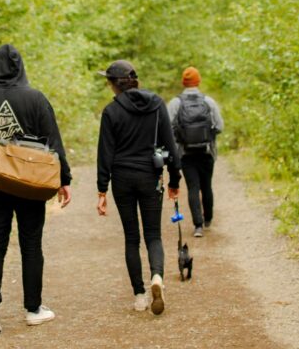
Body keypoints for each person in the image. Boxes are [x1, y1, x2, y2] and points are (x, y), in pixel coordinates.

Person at [0, 44, 72, 335]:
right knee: (31, 244)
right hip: (30, 184)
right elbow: (53, 141)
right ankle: (33, 309)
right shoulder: (36, 99)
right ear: (20, 67)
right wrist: (63, 180)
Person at [95, 59, 180, 315]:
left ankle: (140, 295)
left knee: (132, 237)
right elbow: (170, 145)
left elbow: (105, 153)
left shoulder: (111, 112)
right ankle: (157, 277)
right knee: (153, 234)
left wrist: (102, 190)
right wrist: (175, 180)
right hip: (150, 175)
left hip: (122, 178)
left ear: (114, 85)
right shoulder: (157, 105)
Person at [166, 66, 224, 238]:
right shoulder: (209, 102)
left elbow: (167, 128)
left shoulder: (175, 103)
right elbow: (220, 126)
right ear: (198, 81)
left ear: (183, 82)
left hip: (186, 153)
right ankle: (208, 220)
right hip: (207, 152)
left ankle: (197, 225)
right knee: (207, 185)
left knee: (193, 187)